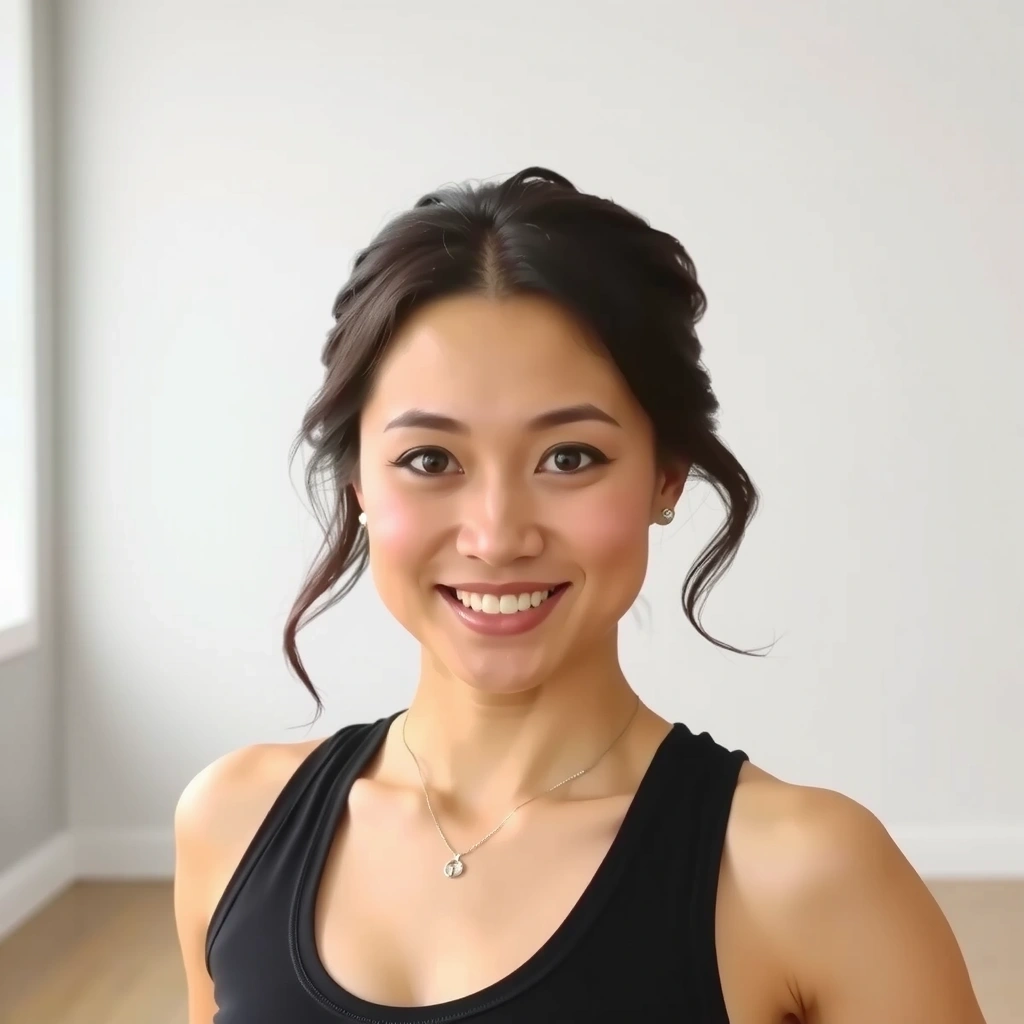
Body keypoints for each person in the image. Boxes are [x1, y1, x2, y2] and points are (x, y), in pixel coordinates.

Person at [173, 167, 986, 1023]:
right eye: (429, 460)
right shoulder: (232, 822)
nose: (495, 534)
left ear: (666, 475)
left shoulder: (804, 875)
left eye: (569, 457)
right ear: (358, 485)